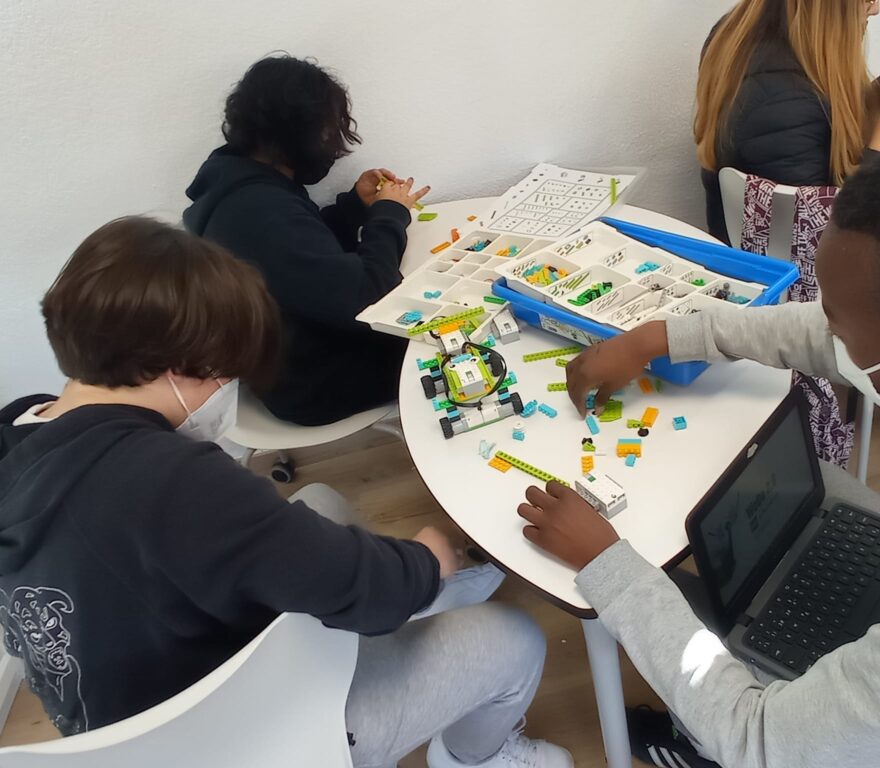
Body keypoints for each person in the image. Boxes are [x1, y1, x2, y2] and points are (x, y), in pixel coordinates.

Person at [518, 113, 880, 768]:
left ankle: (688, 746)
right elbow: (828, 337)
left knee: (711, 623)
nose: (828, 333)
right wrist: (665, 336)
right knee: (788, 512)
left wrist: (609, 566)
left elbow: (759, 741)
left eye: (842, 324)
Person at [0, 217, 571, 768]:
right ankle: (474, 758)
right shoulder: (171, 481)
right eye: (225, 373)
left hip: (116, 720)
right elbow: (364, 586)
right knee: (513, 639)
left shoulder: (20, 433)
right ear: (178, 368)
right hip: (241, 732)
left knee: (318, 502)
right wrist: (426, 564)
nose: (227, 388)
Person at [694, 0, 880, 475]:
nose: (876, 8)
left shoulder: (747, 31)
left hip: (759, 253)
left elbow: (814, 150)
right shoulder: (781, 95)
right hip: (795, 275)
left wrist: (875, 101)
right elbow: (826, 236)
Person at [184, 55, 428, 426]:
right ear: (298, 135)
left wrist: (353, 206)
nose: (332, 144)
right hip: (314, 384)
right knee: (449, 331)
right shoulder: (263, 211)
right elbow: (371, 297)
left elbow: (301, 255)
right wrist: (390, 215)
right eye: (327, 133)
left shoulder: (233, 179)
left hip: (285, 361)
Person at [694, 0, 880, 246]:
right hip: (785, 262)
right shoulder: (782, 103)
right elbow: (821, 240)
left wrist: (873, 101)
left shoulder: (740, 32)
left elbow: (815, 127)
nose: (876, 8)